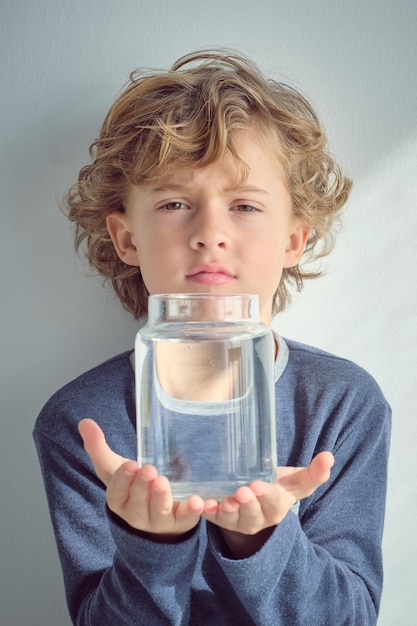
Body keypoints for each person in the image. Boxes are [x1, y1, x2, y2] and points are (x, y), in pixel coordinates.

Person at [33, 49, 391, 625]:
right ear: (126, 239)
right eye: (175, 203)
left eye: (245, 205)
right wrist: (151, 544)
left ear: (293, 240)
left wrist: (264, 538)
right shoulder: (81, 422)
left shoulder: (344, 404)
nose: (210, 233)